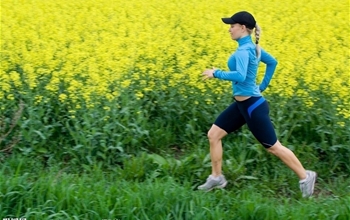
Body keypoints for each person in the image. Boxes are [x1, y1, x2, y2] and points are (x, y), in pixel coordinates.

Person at [199, 11, 317, 197]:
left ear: (243, 28)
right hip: (241, 106)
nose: (229, 29)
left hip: (253, 106)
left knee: (273, 147)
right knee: (214, 135)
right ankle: (216, 177)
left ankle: (305, 176)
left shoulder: (245, 50)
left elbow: (241, 76)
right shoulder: (252, 48)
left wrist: (216, 73)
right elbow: (272, 62)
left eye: (232, 25)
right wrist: (261, 86)